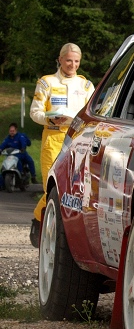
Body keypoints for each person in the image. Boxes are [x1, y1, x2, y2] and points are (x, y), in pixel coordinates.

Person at [29, 43, 95, 247]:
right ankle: (39, 220)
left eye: (76, 61)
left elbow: (93, 113)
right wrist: (49, 119)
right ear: (60, 59)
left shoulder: (86, 86)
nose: (72, 65)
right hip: (53, 138)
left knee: (73, 190)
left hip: (77, 140)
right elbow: (35, 112)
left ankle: (59, 230)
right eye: (68, 61)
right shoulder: (46, 82)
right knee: (51, 187)